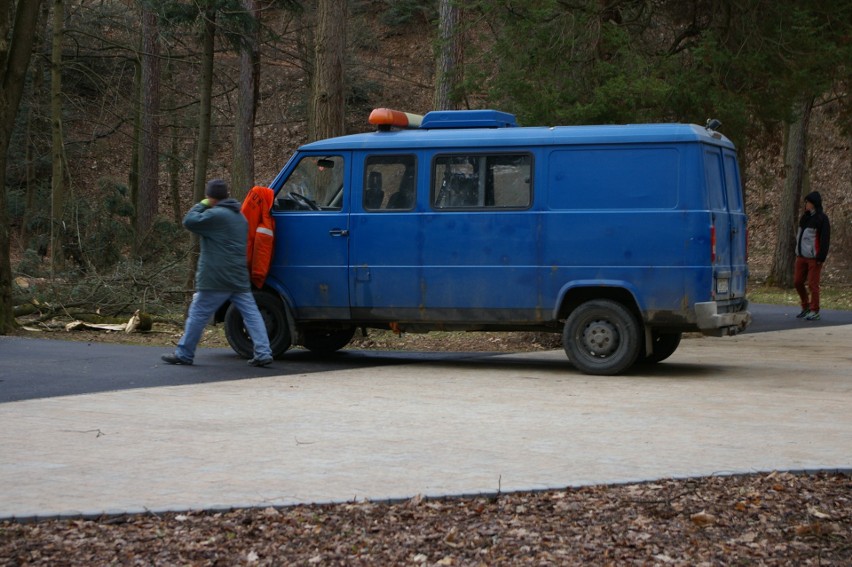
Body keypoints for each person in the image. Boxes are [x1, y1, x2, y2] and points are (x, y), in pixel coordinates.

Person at [162, 179, 273, 366]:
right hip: (238, 276)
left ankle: (184, 353)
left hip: (216, 277)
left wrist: (202, 204)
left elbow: (189, 221)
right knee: (252, 314)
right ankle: (263, 352)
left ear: (211, 197)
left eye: (208, 196)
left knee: (198, 313)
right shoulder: (240, 217)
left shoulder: (215, 215)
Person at [794, 191, 831, 321]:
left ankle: (815, 310)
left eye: (808, 203)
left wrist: (821, 257)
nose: (806, 205)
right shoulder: (804, 218)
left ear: (814, 204)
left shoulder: (822, 218)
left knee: (812, 284)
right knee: (797, 282)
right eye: (806, 203)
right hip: (801, 257)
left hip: (814, 258)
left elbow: (825, 239)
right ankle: (806, 307)